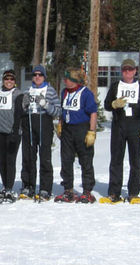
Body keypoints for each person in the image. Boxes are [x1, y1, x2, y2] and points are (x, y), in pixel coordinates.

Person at [102, 59, 140, 204]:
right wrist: (113, 104)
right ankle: (114, 192)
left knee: (135, 160)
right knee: (116, 159)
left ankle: (134, 192)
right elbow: (106, 105)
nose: (127, 72)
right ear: (121, 71)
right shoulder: (116, 86)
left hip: (135, 125)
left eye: (130, 69)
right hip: (119, 125)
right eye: (125, 70)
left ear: (135, 71)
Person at [15, 65, 61, 200]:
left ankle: (45, 188)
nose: (37, 77)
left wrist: (46, 105)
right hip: (29, 124)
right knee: (28, 157)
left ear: (44, 76)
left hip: (44, 123)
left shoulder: (50, 91)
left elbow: (58, 111)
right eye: (35, 75)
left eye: (40, 75)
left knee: (45, 157)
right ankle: (28, 185)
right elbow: (21, 110)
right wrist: (24, 104)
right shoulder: (27, 90)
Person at [54, 67, 98, 203]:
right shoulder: (65, 92)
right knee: (66, 160)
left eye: (67, 79)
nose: (65, 81)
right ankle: (68, 190)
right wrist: (61, 124)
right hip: (68, 129)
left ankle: (87, 191)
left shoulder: (86, 93)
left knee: (85, 160)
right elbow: (63, 109)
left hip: (82, 129)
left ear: (74, 80)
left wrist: (91, 131)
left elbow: (93, 112)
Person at [0, 70, 23, 199]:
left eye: (11, 79)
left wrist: (16, 131)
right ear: (3, 80)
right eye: (6, 79)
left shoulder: (18, 94)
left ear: (15, 81)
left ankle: (10, 187)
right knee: (2, 160)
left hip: (12, 132)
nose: (9, 81)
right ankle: (5, 186)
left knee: (10, 160)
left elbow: (20, 114)